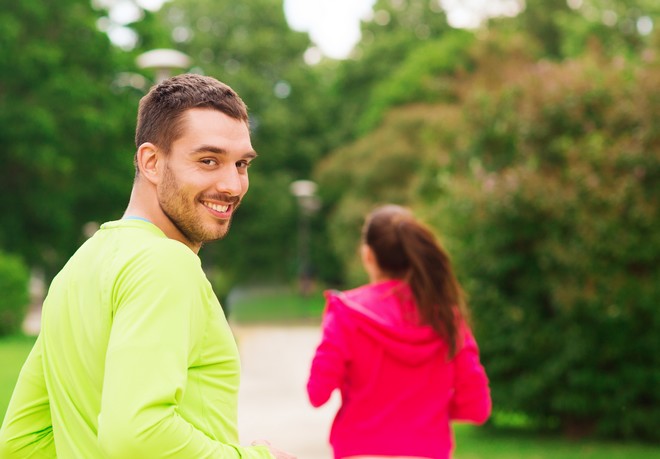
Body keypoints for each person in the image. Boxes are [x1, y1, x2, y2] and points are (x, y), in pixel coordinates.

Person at [0, 74, 295, 459]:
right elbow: (137, 434)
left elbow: (21, 441)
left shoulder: (77, 268)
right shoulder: (168, 263)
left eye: (241, 164)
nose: (233, 185)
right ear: (152, 162)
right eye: (209, 160)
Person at [306, 204, 491, 459]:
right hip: (428, 450)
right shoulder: (446, 317)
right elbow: (476, 407)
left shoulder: (345, 312)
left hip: (359, 450)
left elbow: (317, 392)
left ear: (368, 256)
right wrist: (429, 411)